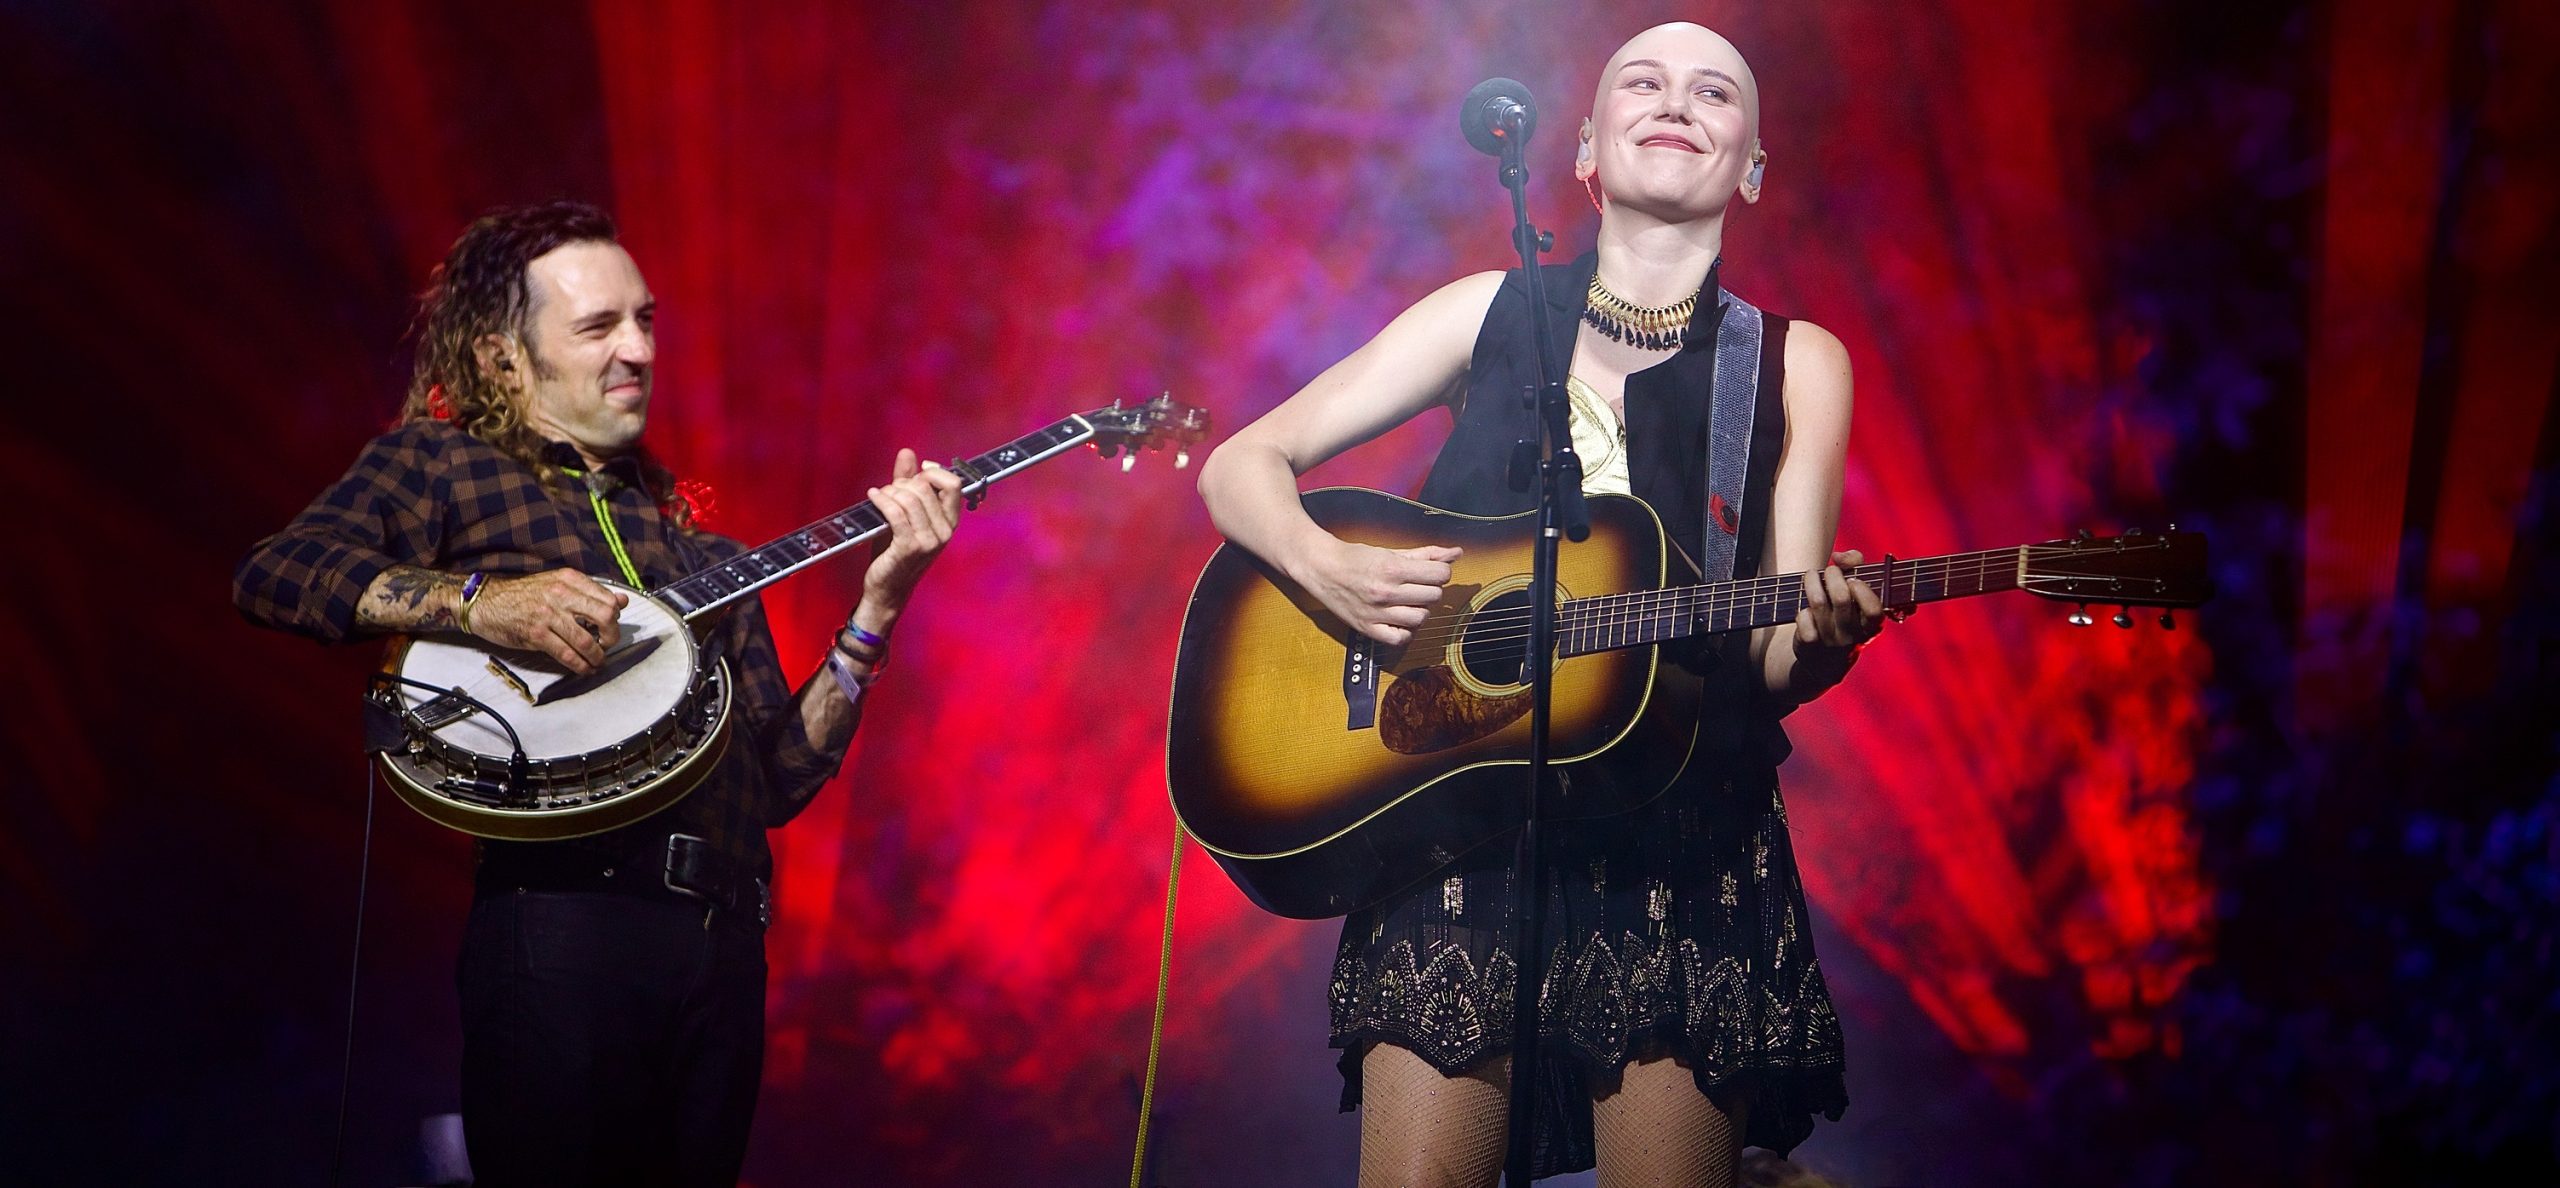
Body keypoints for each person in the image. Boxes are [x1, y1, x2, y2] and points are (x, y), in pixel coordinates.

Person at [1195, 24, 1883, 1187]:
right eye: (1643, 82)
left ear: (1754, 168)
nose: (1677, 102)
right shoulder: (1483, 311)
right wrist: (1326, 566)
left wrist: (1822, 644)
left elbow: (1769, 654)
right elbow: (1239, 466)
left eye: (1714, 92)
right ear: (1583, 150)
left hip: (1680, 837)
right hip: (1462, 822)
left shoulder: (1792, 361)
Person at [232, 201, 964, 1186]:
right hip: (563, 929)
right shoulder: (443, 466)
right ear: (502, 360)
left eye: (646, 321)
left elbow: (776, 783)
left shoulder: (708, 554)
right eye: (598, 327)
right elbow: (276, 574)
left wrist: (877, 608)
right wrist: (481, 603)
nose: (638, 351)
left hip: (723, 952)